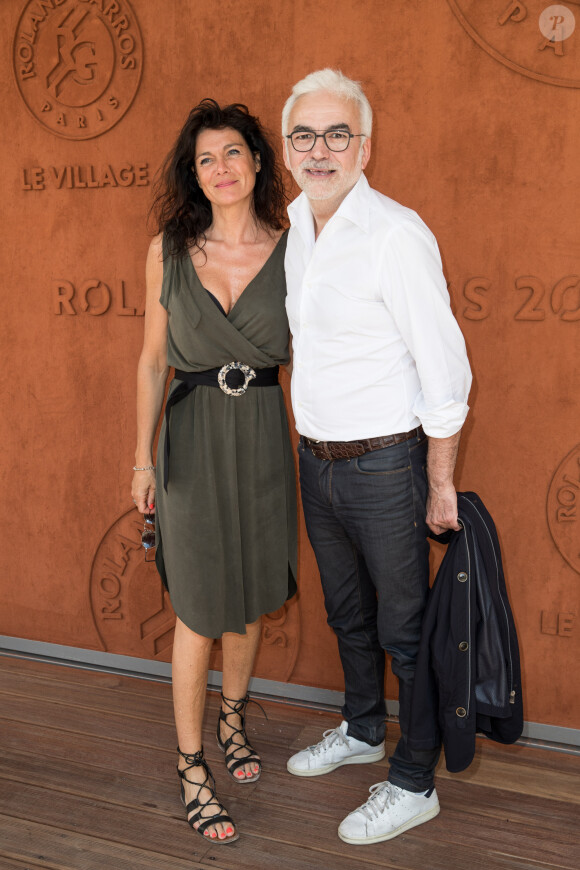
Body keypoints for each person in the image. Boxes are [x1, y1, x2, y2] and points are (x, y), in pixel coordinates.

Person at [281, 70, 472, 845]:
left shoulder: (395, 233)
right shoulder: (294, 225)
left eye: (336, 135)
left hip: (387, 467)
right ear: (288, 147)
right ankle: (363, 730)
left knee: (404, 630)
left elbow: (446, 369)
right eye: (304, 135)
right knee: (346, 615)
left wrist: (439, 481)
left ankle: (414, 778)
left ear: (364, 146)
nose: (319, 151)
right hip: (316, 461)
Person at [131, 98, 297, 845]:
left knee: (254, 592)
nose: (220, 168)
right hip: (192, 440)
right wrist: (141, 459)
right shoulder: (168, 249)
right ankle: (193, 764)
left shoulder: (298, 250)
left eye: (233, 153)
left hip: (263, 434)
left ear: (258, 162)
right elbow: (150, 361)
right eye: (206, 158)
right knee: (199, 607)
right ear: (192, 174)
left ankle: (233, 718)